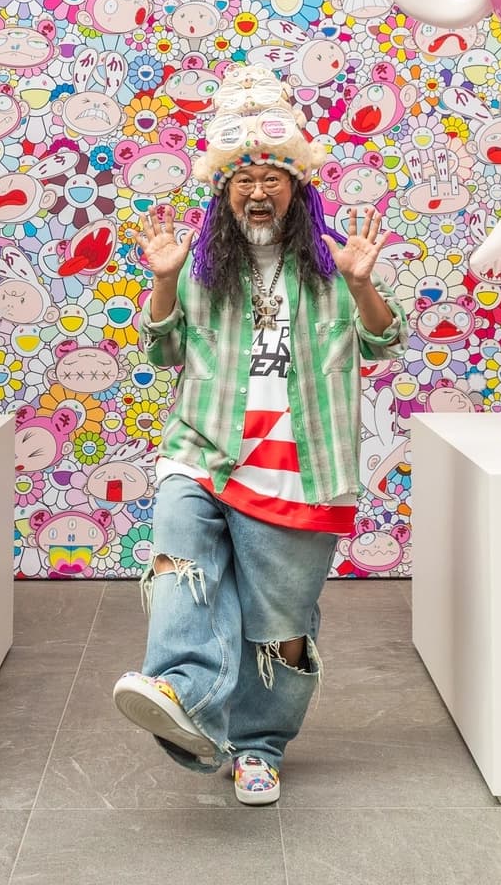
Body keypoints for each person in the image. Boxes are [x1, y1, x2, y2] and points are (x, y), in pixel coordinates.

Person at [113, 64, 405, 805]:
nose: (256, 191)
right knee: (181, 558)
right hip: (204, 449)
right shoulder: (202, 266)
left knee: (280, 630)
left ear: (298, 187)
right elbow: (164, 351)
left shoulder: (335, 267)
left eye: (271, 177)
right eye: (242, 180)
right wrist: (165, 281)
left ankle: (259, 745)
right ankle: (180, 691)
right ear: (224, 192)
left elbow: (384, 343)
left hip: (300, 471)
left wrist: (363, 285)